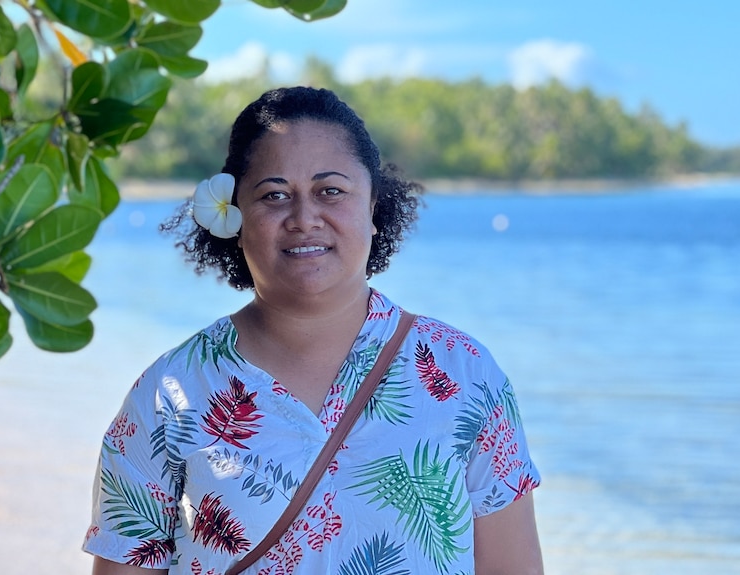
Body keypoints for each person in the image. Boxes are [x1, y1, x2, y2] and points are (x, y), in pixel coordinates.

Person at [83, 86, 543, 575]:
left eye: (331, 191)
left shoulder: (463, 373)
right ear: (235, 217)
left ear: (372, 207)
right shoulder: (169, 394)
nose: (304, 219)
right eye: (274, 195)